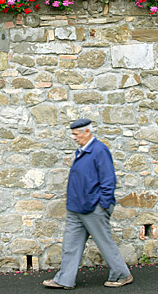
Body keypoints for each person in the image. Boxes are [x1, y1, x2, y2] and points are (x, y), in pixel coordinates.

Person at [42, 118, 133, 289]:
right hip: (75, 209)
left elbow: (108, 180)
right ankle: (65, 280)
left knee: (104, 243)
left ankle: (122, 274)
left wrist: (103, 205)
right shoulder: (82, 151)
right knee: (70, 245)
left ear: (87, 132)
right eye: (73, 134)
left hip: (93, 208)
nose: (74, 137)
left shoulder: (99, 150)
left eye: (76, 134)